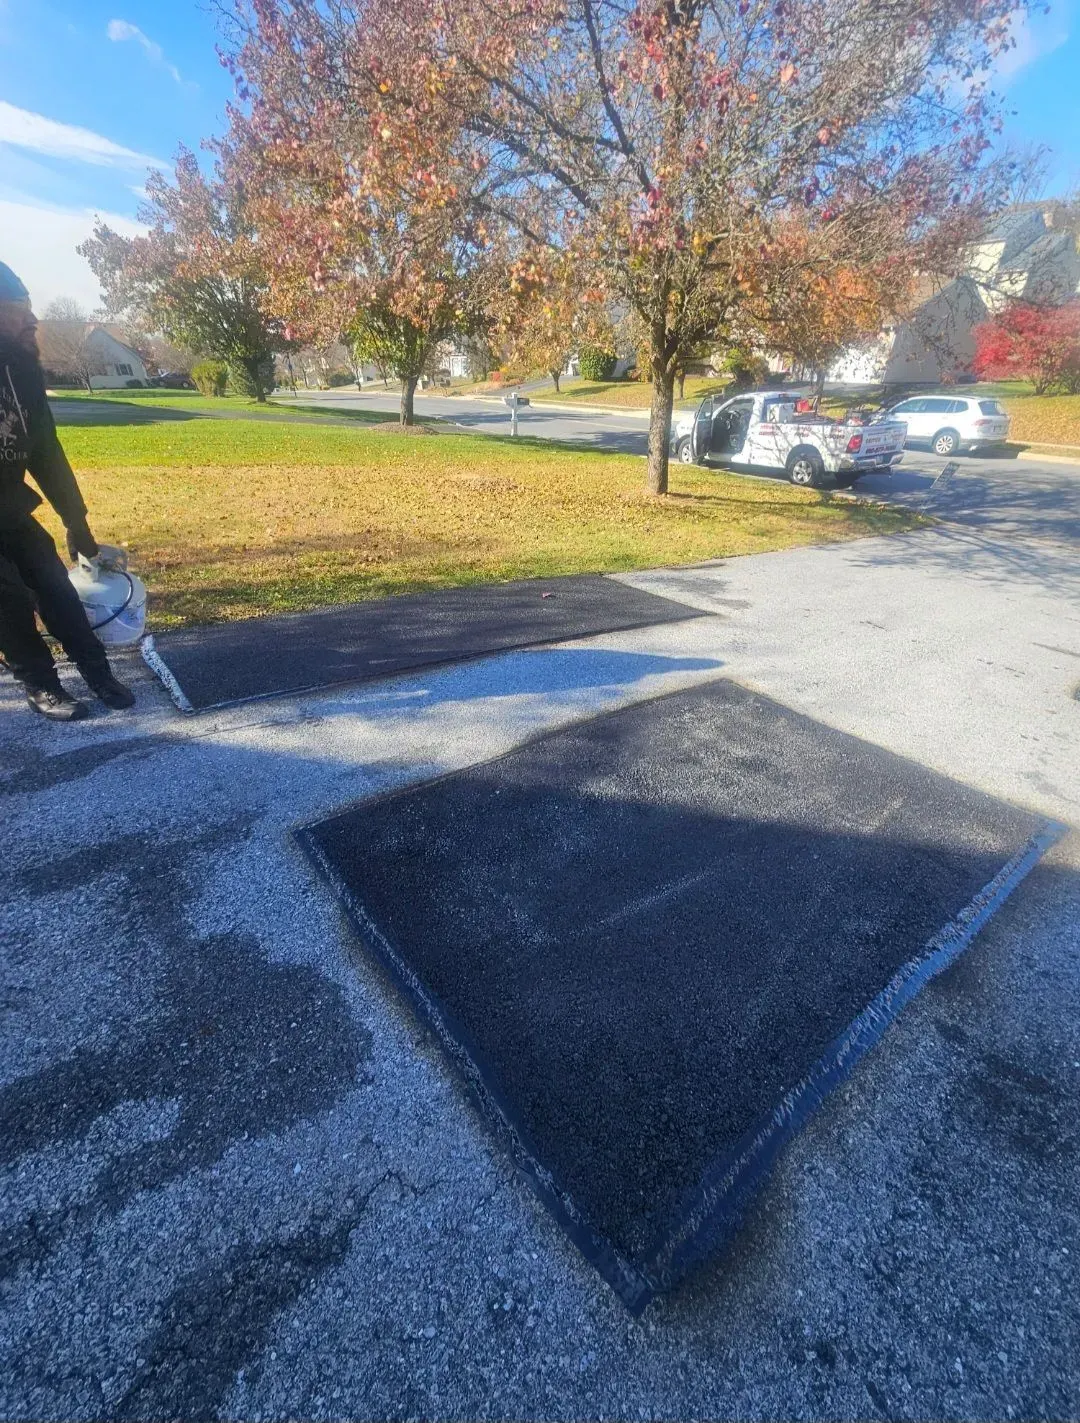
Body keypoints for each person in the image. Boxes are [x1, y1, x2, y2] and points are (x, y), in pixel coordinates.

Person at [0, 260, 135, 721]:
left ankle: (97, 672)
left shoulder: (23, 373)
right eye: (17, 310)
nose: (31, 320)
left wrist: (76, 522)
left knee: (56, 586)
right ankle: (41, 685)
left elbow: (46, 453)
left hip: (9, 508)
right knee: (8, 598)